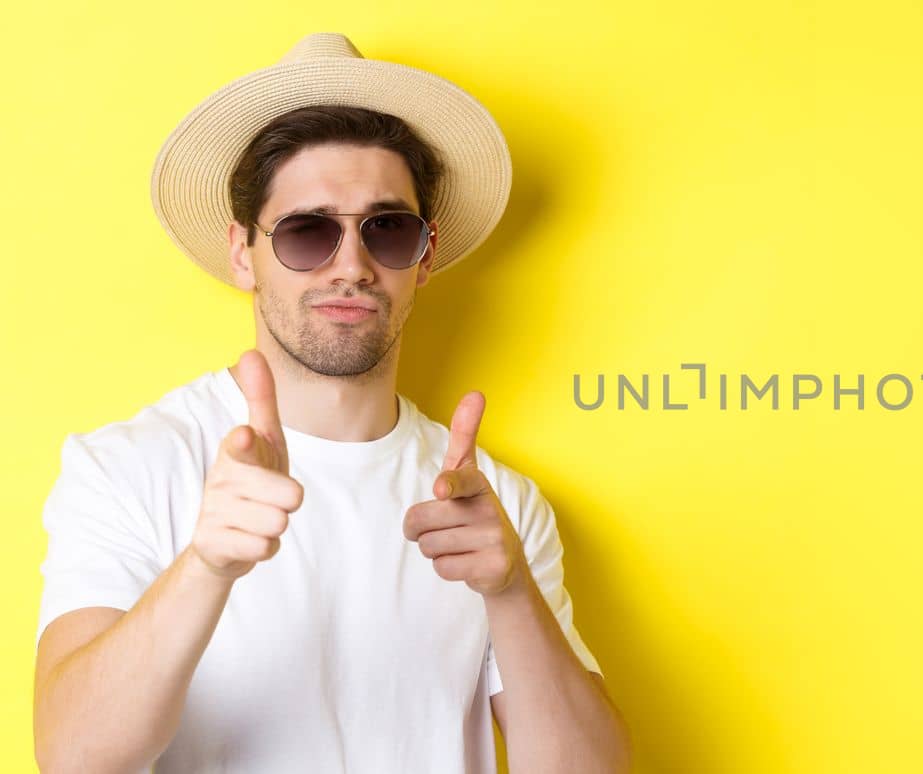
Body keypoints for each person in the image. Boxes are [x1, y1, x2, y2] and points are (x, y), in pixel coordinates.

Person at [31, 33, 630, 773]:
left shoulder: (496, 506)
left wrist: (509, 595)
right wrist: (206, 567)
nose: (351, 265)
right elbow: (70, 759)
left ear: (426, 254)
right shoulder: (127, 468)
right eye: (308, 231)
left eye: (387, 229)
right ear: (242, 252)